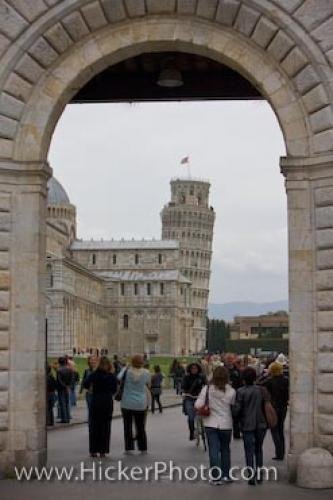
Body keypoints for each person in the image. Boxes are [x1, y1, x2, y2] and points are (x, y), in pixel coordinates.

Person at [195, 366, 236, 485]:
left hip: (211, 423)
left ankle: (215, 477)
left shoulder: (207, 389)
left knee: (213, 451)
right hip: (226, 424)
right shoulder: (231, 391)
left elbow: (198, 404)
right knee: (225, 450)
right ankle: (226, 475)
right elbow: (232, 406)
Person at [233, 367, 270, 485]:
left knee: (248, 451)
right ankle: (259, 474)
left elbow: (237, 410)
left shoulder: (240, 391)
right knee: (258, 449)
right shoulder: (262, 390)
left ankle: (251, 475)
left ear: (243, 379)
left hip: (247, 424)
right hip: (261, 423)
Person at [83, 356, 118, 458]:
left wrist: (92, 387)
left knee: (94, 426)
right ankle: (103, 450)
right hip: (107, 401)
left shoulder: (94, 374)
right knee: (105, 426)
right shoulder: (111, 376)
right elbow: (114, 389)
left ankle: (93, 450)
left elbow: (85, 384)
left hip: (96, 400)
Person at [118, 354, 151, 454]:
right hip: (140, 403)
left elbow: (119, 377)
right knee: (140, 427)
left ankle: (129, 448)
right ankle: (143, 448)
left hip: (127, 402)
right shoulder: (146, 372)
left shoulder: (127, 371)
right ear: (142, 362)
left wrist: (125, 367)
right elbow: (148, 384)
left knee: (127, 426)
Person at [262, 361, 289, 460]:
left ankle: (279, 453)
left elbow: (258, 383)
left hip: (273, 408)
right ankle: (282, 452)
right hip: (284, 407)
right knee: (280, 430)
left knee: (274, 430)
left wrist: (266, 374)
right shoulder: (286, 380)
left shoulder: (269, 381)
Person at [182, 362, 206, 440]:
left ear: (198, 369)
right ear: (189, 369)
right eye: (192, 368)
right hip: (189, 398)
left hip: (199, 398)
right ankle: (192, 432)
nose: (194, 370)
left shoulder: (202, 377)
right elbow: (183, 386)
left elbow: (206, 386)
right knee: (191, 417)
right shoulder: (186, 377)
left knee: (203, 414)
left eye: (195, 368)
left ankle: (203, 427)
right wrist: (183, 392)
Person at [224, 353, 242, 439]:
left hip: (235, 394)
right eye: (228, 359)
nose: (230, 361)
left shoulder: (237, 370)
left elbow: (240, 381)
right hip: (224, 395)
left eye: (231, 359)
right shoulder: (222, 369)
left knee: (236, 415)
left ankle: (236, 432)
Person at [56, 357, 73, 424]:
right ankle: (67, 417)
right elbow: (72, 379)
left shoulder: (59, 370)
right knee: (66, 403)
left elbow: (59, 381)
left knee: (62, 403)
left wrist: (64, 386)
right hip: (67, 387)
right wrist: (68, 386)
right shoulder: (70, 369)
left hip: (61, 388)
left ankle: (64, 419)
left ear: (60, 362)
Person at [80, 355, 96, 421]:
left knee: (95, 408)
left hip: (96, 393)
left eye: (94, 360)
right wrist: (81, 390)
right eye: (91, 360)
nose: (92, 361)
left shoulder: (97, 370)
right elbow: (84, 381)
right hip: (89, 392)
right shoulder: (86, 370)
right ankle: (90, 421)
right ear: (88, 361)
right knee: (89, 407)